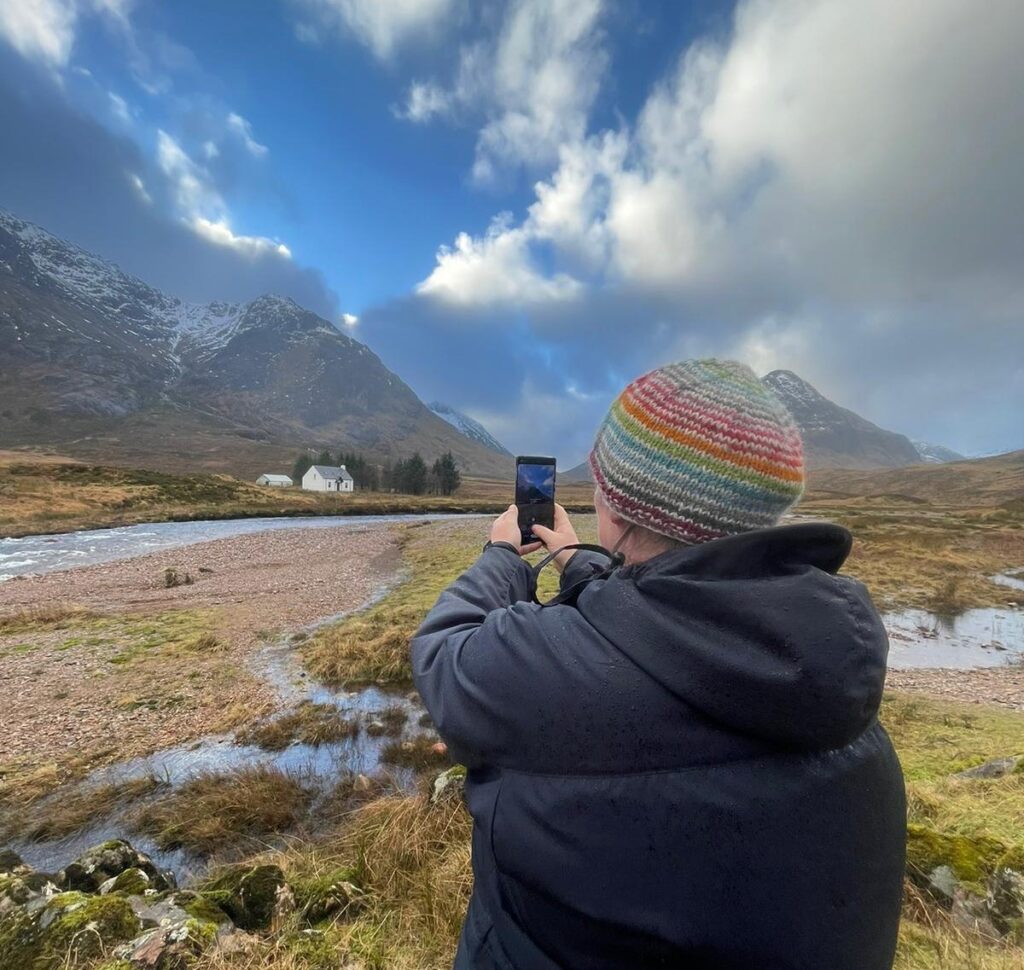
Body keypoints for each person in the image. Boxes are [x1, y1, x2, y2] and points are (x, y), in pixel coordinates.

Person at [411, 359, 906, 970]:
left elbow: (443, 652)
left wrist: (501, 559)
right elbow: (667, 614)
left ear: (615, 506)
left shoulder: (546, 668)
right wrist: (574, 557)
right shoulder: (832, 661)